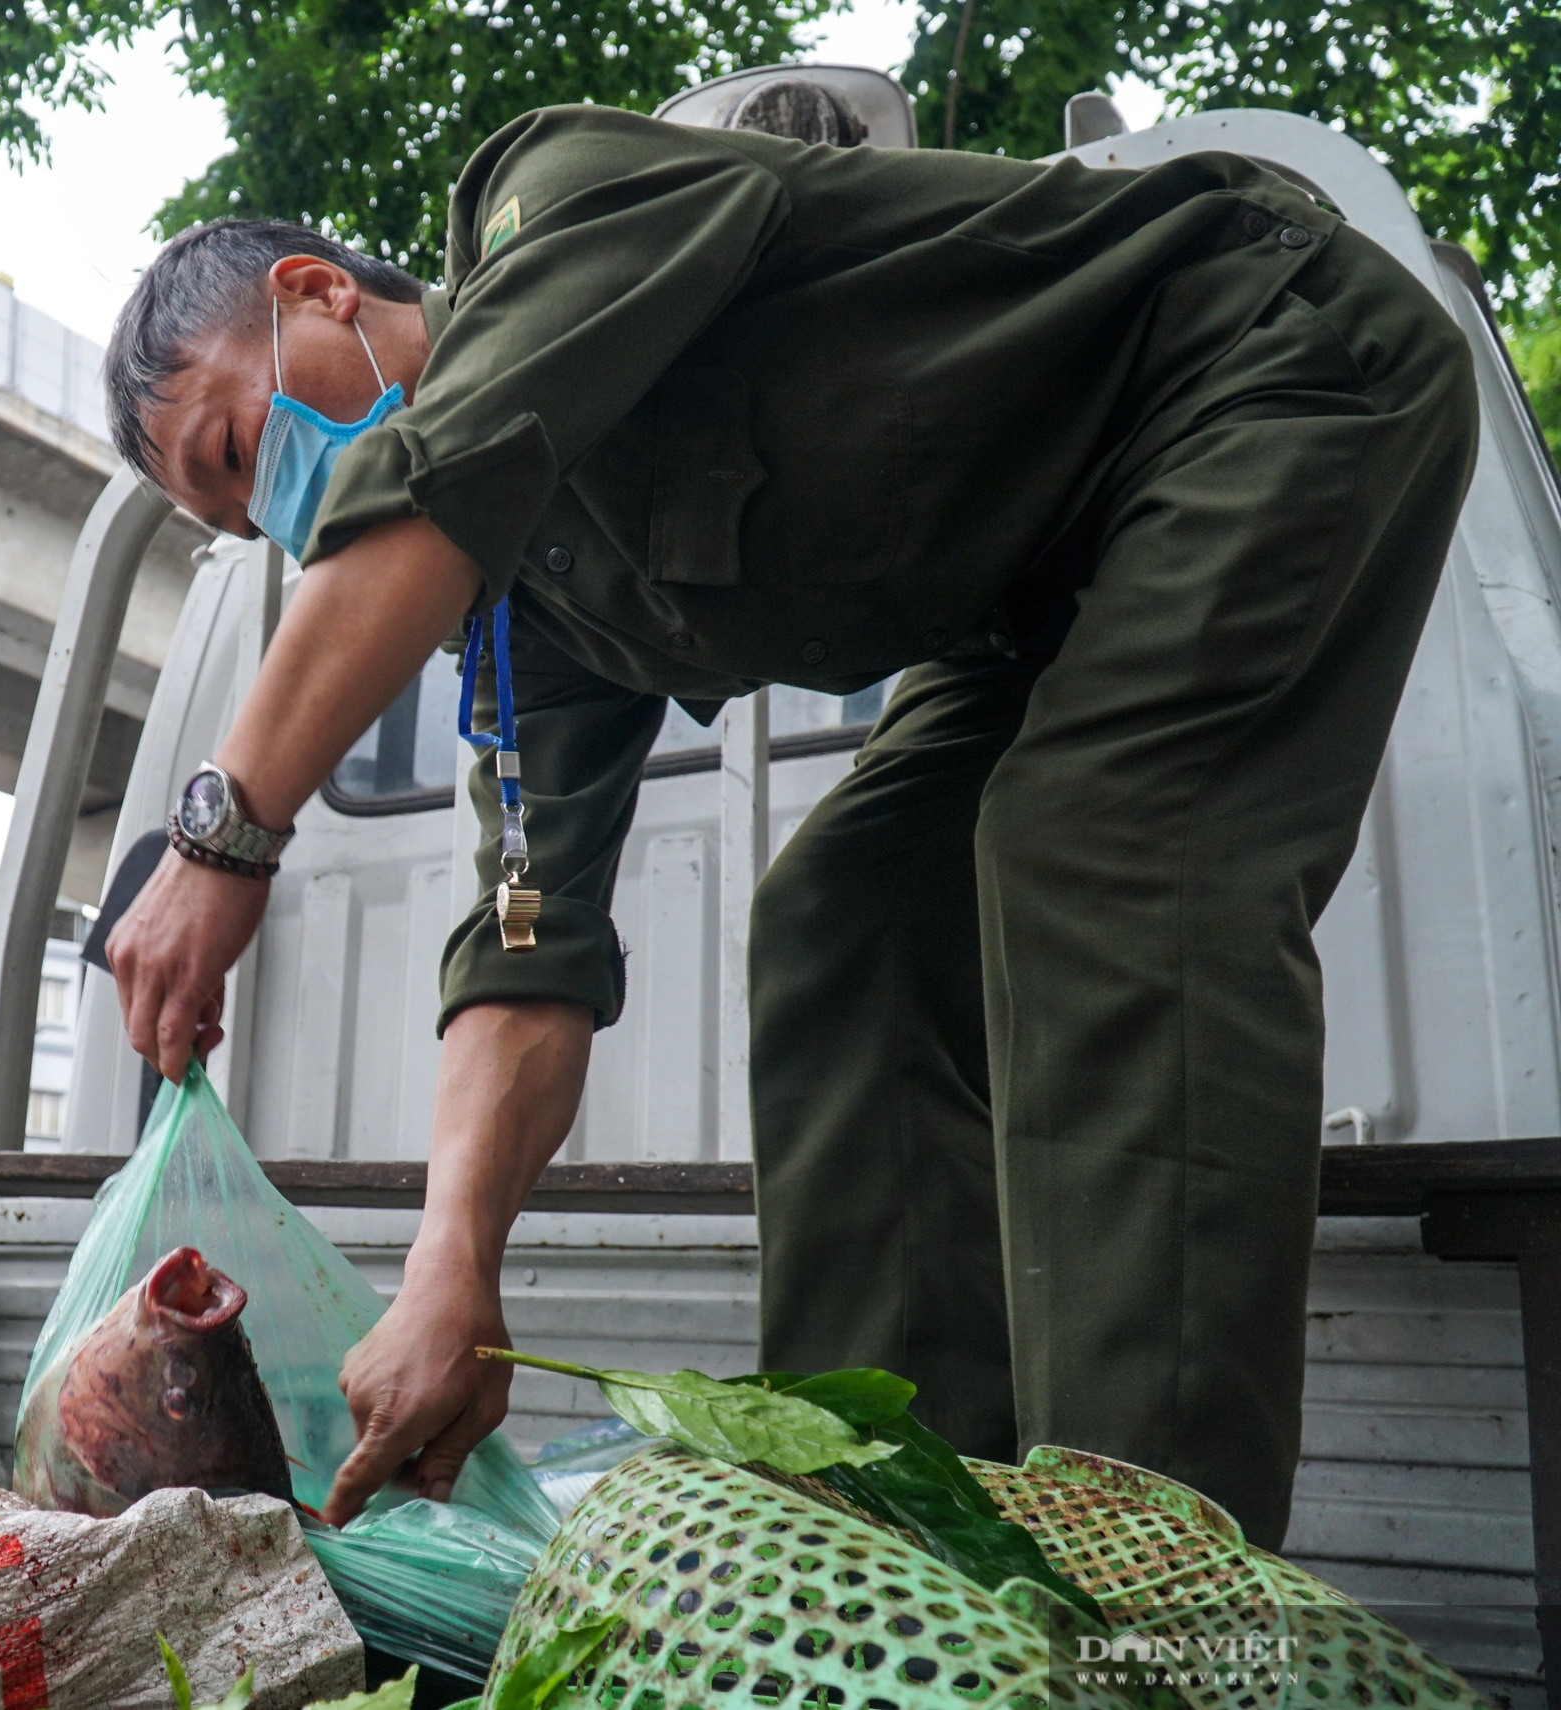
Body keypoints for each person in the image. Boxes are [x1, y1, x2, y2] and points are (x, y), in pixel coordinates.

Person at [97, 91, 1478, 1547]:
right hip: (1042, 602)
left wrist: (222, 837)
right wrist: (454, 1267)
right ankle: (900, 1545)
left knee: (1098, 847)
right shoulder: (526, 625)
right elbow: (527, 940)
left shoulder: (557, 198)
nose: (281, 517)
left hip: (1260, 365)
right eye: (243, 522)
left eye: (241, 450)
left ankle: (1157, 1597)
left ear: (316, 293)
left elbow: (445, 478)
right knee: (845, 922)